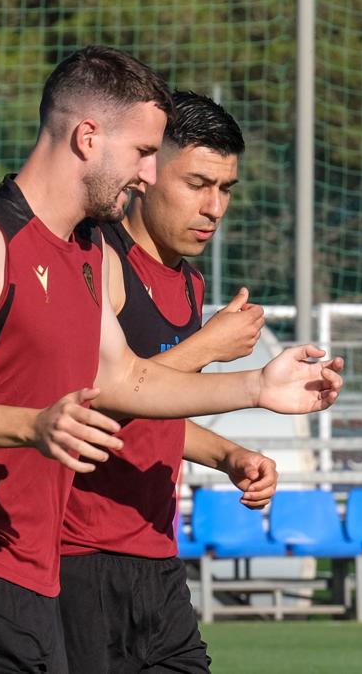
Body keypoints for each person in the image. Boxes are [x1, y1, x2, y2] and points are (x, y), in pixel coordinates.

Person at [0, 46, 343, 673]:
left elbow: (125, 378)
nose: (149, 175)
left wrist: (258, 385)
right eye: (145, 153)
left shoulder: (88, 252)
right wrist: (30, 424)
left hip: (32, 572)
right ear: (88, 137)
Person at [59, 91, 269, 673]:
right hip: (80, 558)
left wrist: (227, 454)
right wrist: (208, 348)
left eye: (225, 189)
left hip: (157, 555)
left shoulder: (190, 284)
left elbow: (154, 410)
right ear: (147, 174)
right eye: (198, 183)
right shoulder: (97, 257)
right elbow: (99, 405)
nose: (214, 207)